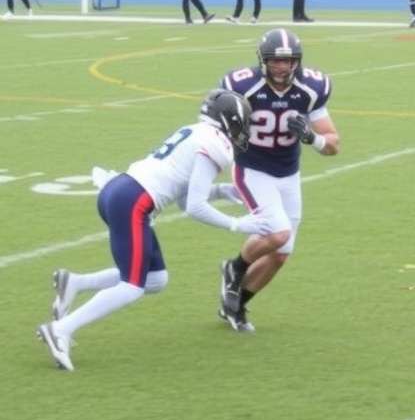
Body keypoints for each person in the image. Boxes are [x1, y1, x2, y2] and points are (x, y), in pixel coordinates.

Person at [36, 90, 275, 371]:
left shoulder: (196, 131)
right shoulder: (216, 143)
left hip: (122, 191)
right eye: (240, 122)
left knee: (155, 279)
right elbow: (194, 207)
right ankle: (61, 329)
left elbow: (185, 196)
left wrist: (221, 192)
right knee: (131, 287)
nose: (242, 130)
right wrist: (238, 224)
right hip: (133, 202)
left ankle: (75, 283)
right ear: (229, 120)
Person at [217, 28, 340, 332]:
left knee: (281, 255)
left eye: (288, 61)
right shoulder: (242, 85)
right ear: (263, 60)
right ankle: (235, 267)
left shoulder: (311, 88)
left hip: (288, 173)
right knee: (279, 233)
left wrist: (312, 137)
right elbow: (216, 124)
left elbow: (334, 144)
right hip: (252, 169)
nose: (282, 67)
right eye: (275, 61)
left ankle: (236, 303)